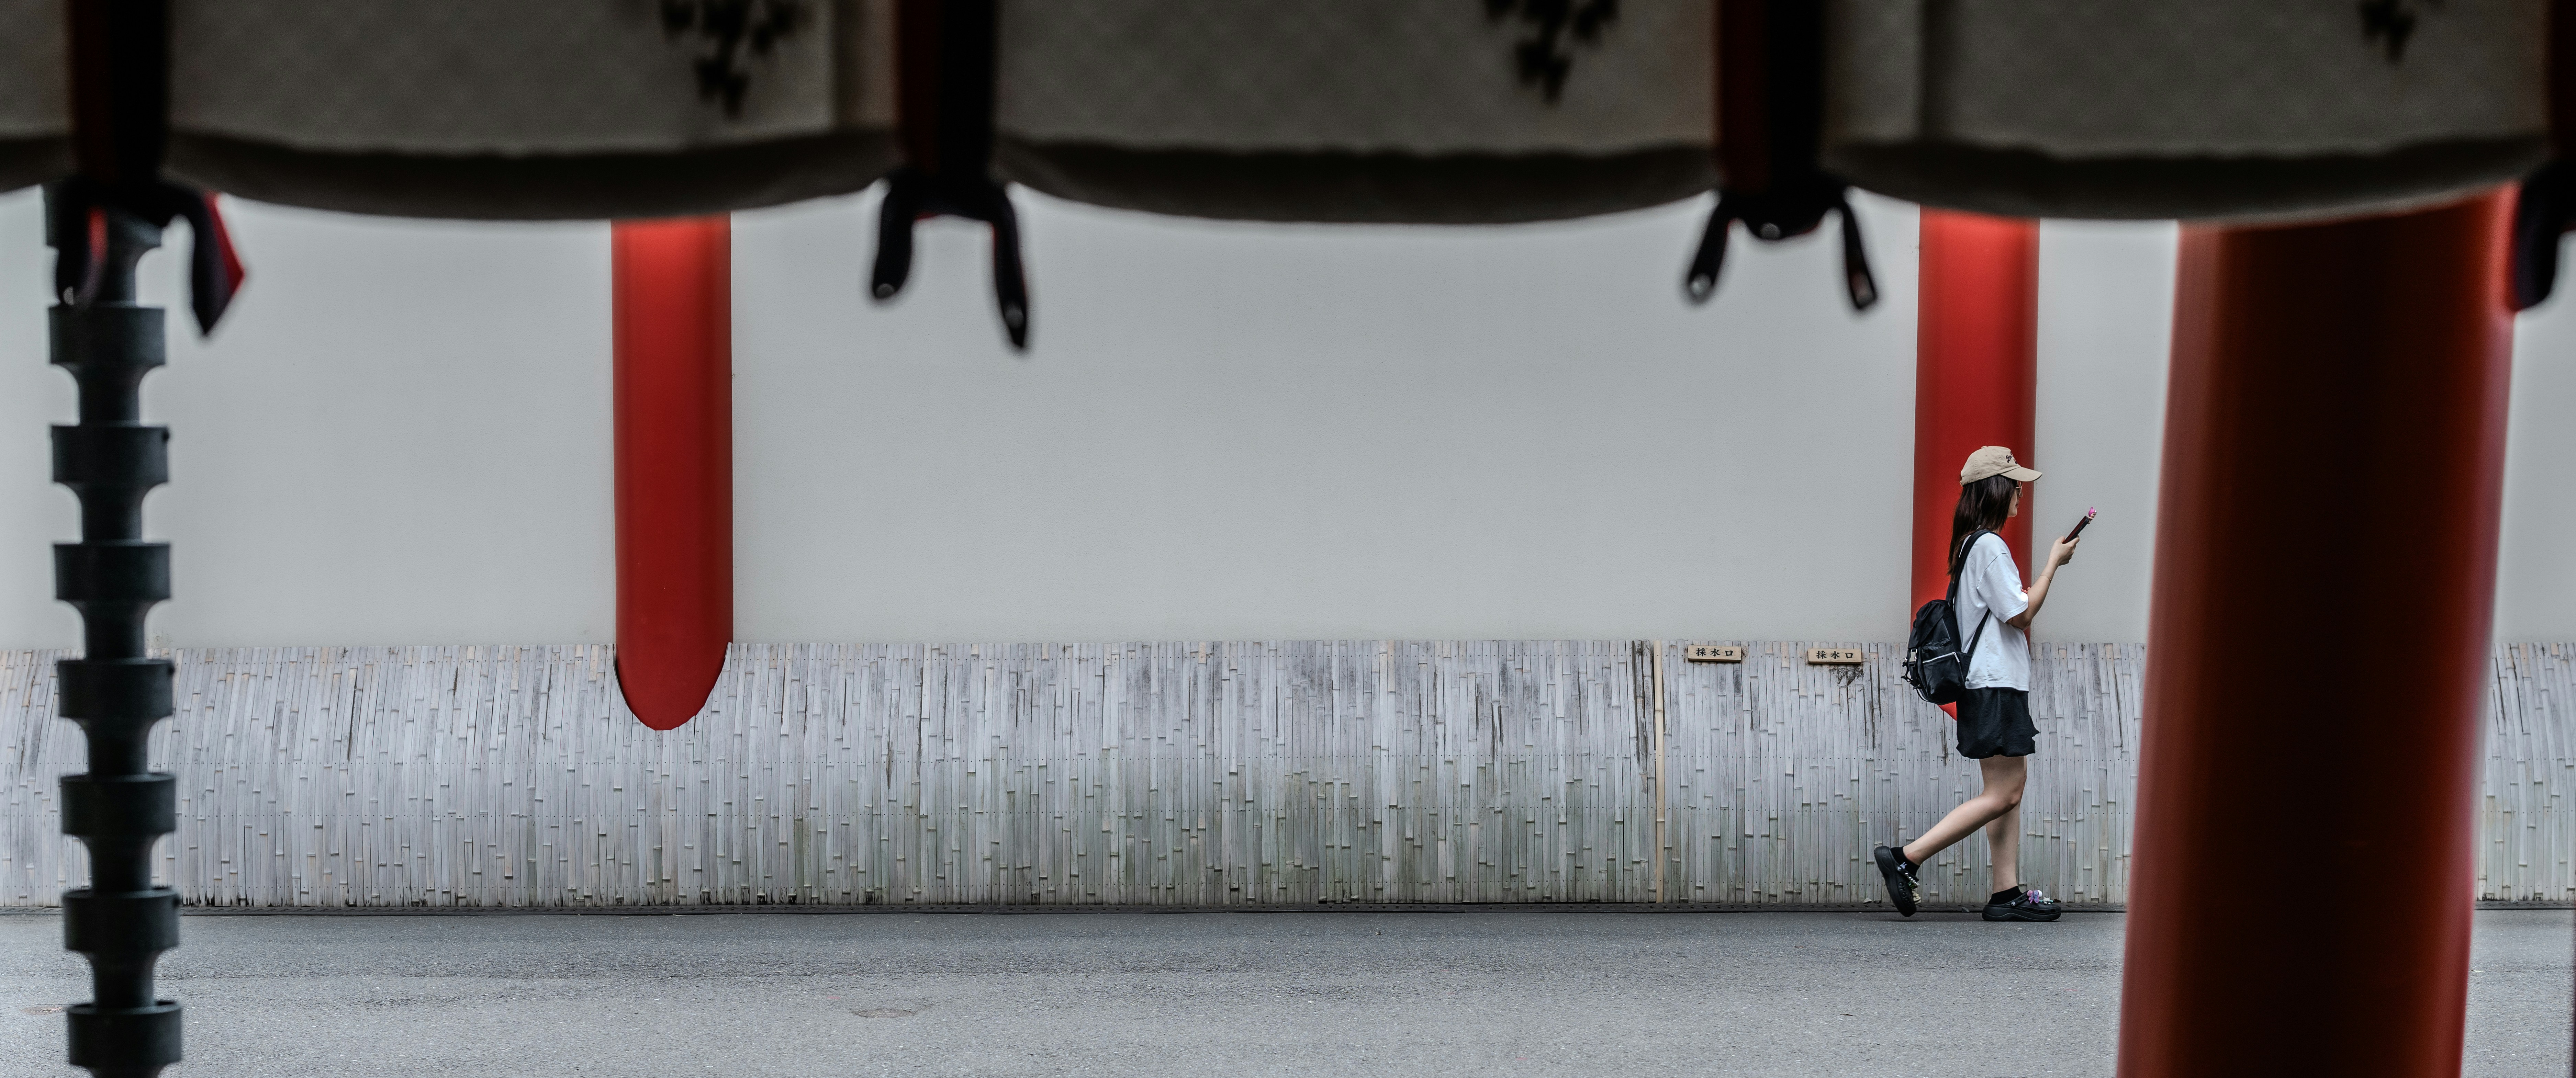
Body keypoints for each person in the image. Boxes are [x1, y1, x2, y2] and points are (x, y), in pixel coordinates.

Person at [1874, 446, 2078, 922]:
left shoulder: (1969, 544)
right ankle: (1906, 858)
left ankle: (2004, 893)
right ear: (1996, 489)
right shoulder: (1988, 546)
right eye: (2015, 485)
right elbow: (2020, 612)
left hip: (1988, 684)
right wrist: (2053, 565)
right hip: (1993, 685)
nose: (2020, 494)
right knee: (2003, 794)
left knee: (2008, 789)